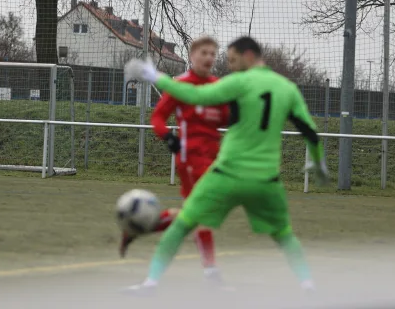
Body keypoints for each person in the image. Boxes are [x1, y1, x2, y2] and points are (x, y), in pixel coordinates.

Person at [122, 35, 329, 295]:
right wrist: (319, 163)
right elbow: (310, 132)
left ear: (248, 56)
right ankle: (308, 286)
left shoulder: (235, 82)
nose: (227, 65)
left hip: (225, 172)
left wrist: (156, 76)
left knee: (185, 221)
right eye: (208, 54)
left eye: (230, 59)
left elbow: (193, 95)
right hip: (264, 179)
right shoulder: (287, 88)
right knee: (284, 234)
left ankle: (151, 283)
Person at [119, 36, 229, 284]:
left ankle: (142, 227)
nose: (209, 58)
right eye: (204, 53)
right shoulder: (180, 85)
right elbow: (158, 118)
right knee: (202, 212)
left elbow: (225, 118)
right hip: (190, 159)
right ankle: (210, 270)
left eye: (213, 53)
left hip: (213, 160)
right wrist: (168, 137)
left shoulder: (218, 87)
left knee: (193, 214)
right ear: (192, 56)